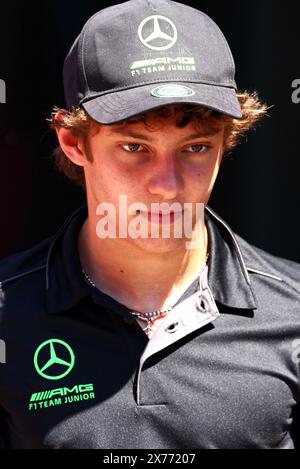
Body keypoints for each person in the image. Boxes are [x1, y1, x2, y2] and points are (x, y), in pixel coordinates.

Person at [0, 0, 299, 450]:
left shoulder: (293, 311)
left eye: (195, 148)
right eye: (135, 148)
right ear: (73, 142)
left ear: (226, 144)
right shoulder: (9, 315)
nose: (167, 185)